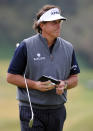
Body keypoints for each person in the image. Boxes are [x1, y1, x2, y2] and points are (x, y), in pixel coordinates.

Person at [7, 4, 80, 131]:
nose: (58, 25)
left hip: (57, 111)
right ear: (42, 25)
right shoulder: (25, 46)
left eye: (59, 22)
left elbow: (74, 78)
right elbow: (11, 77)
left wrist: (65, 84)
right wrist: (35, 85)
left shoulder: (68, 48)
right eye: (54, 22)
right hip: (31, 109)